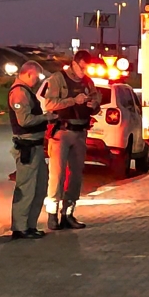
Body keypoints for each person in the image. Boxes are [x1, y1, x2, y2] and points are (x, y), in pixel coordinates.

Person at [39, 49, 101, 230]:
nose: (84, 72)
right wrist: (73, 100)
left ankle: (68, 213)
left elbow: (96, 102)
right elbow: (49, 104)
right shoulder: (58, 79)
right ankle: (52, 215)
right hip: (62, 132)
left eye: (87, 68)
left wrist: (94, 104)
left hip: (80, 132)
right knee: (57, 175)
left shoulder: (88, 81)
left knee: (76, 175)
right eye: (82, 68)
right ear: (74, 64)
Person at [7, 61, 52, 240]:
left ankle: (29, 225)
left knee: (40, 186)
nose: (37, 80)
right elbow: (24, 121)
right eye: (36, 76)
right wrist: (46, 117)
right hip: (28, 147)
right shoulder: (19, 92)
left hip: (35, 146)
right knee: (26, 188)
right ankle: (20, 227)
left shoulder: (25, 91)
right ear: (28, 73)